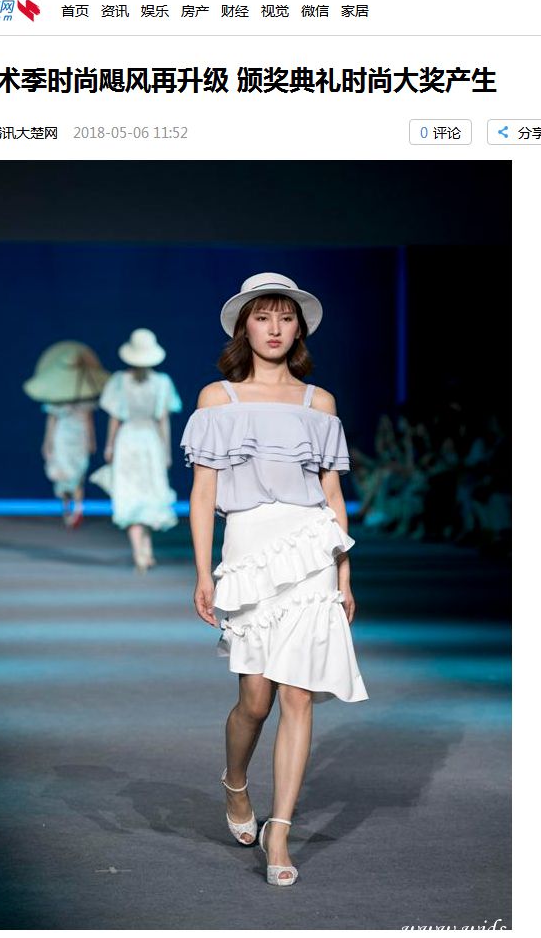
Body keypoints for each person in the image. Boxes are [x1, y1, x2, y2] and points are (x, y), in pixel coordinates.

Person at [180, 272, 368, 887]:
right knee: (255, 700)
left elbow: (332, 495)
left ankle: (279, 830)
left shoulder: (319, 404)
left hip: (311, 548)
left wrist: (343, 572)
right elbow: (203, 493)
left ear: (299, 329)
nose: (274, 329)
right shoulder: (219, 400)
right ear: (245, 327)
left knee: (298, 695)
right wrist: (203, 572)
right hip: (250, 548)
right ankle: (236, 783)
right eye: (262, 317)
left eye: (285, 318)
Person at [91, 328, 182, 571]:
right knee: (145, 494)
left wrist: (110, 446)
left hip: (130, 440)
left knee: (135, 494)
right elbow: (163, 420)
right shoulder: (160, 383)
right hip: (148, 441)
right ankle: (143, 552)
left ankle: (142, 552)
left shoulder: (123, 381)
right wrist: (166, 451)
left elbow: (115, 418)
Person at [23, 341, 109, 528]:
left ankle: (76, 509)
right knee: (64, 473)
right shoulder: (57, 398)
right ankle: (69, 507)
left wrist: (92, 440)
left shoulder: (84, 396)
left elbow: (88, 421)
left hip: (77, 436)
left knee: (77, 473)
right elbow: (52, 421)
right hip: (64, 436)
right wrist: (47, 442)